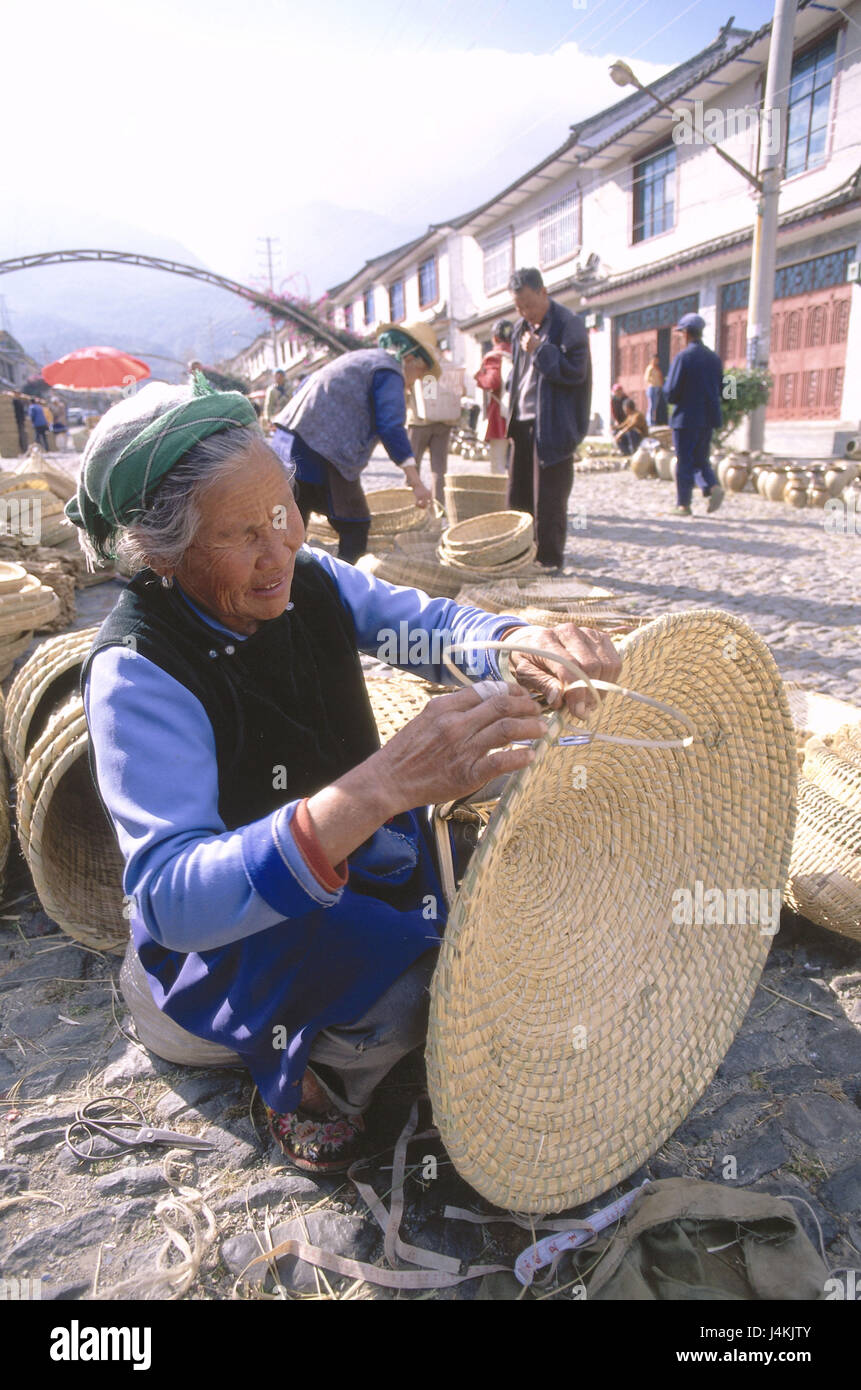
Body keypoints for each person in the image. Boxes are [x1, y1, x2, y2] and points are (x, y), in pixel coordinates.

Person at [68, 374, 622, 1171]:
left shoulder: (312, 580)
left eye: (283, 510)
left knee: (528, 879)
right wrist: (378, 787)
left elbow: (427, 628)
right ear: (161, 554)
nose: (281, 546)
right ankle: (307, 1079)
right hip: (243, 937)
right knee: (429, 1003)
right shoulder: (139, 670)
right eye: (240, 535)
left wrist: (516, 647)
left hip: (363, 857)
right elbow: (173, 896)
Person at [271, 323, 437, 563]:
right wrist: (415, 480)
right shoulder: (389, 369)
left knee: (291, 521)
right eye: (421, 372)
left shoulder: (362, 358)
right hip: (320, 449)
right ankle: (346, 588)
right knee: (355, 524)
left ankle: (295, 587)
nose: (416, 381)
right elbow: (391, 426)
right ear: (409, 358)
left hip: (287, 440)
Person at [506, 268, 592, 572]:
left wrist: (541, 350)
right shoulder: (520, 329)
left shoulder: (569, 324)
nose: (524, 312)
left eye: (529, 304)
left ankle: (550, 564)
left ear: (544, 292)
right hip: (523, 425)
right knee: (519, 498)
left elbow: (574, 372)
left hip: (554, 427)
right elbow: (518, 376)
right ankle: (519, 559)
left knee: (550, 502)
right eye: (519, 307)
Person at [664, 313, 724, 516]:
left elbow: (671, 391)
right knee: (701, 458)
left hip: (686, 418)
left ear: (686, 333)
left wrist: (669, 396)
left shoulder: (683, 357)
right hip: (708, 418)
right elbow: (725, 388)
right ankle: (713, 487)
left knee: (685, 461)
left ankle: (683, 504)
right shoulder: (714, 358)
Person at [406, 351, 463, 507]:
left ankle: (412, 504)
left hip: (419, 422)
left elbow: (415, 394)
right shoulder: (447, 365)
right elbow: (460, 391)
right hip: (444, 422)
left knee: (412, 463)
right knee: (438, 467)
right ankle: (439, 505)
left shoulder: (417, 365)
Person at [474, 319, 513, 475]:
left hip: (500, 414)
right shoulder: (517, 353)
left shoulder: (493, 356)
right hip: (517, 412)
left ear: (495, 338)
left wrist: (479, 377)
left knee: (498, 463)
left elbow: (492, 382)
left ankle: (501, 497)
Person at [644, 355, 668, 426]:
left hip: (658, 388)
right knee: (651, 405)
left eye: (657, 360)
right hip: (652, 388)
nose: (656, 361)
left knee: (655, 406)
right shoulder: (650, 368)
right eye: (655, 360)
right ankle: (649, 422)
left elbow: (660, 378)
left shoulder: (657, 369)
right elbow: (646, 378)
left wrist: (661, 385)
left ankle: (653, 421)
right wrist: (653, 382)